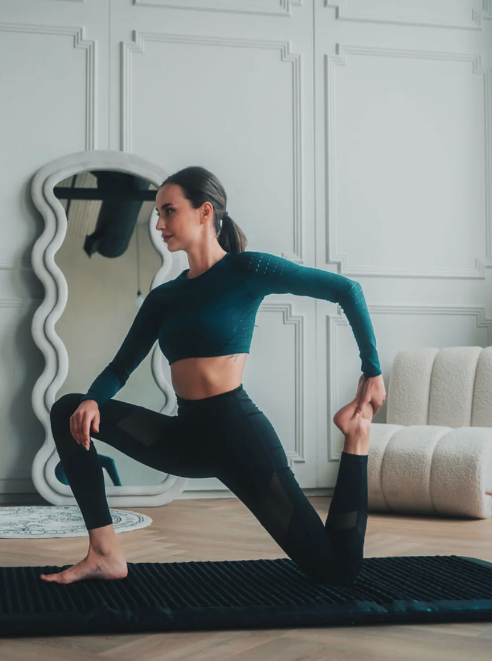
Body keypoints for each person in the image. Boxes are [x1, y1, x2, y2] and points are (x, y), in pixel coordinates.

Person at [41, 166, 386, 586]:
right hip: (185, 439)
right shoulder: (164, 298)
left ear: (205, 212)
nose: (159, 223)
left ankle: (357, 437)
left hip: (240, 439)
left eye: (168, 211)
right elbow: (120, 367)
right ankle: (105, 553)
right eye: (157, 213)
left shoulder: (247, 270)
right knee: (68, 409)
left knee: (337, 573)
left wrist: (372, 370)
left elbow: (348, 291)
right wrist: (94, 398)